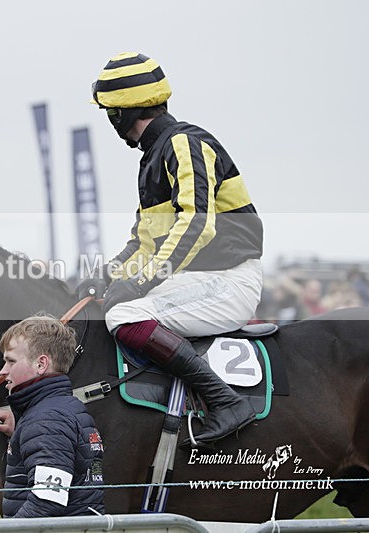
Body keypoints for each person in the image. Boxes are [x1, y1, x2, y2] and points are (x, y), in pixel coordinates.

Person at [81, 52, 264, 446]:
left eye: (110, 114)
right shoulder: (155, 156)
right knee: (111, 301)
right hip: (199, 279)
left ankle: (225, 402)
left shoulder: (183, 143)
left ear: (121, 114)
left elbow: (196, 224)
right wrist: (109, 274)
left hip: (228, 279)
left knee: (124, 314)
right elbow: (143, 242)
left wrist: (142, 282)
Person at [0, 316, 105, 518]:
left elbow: (47, 503)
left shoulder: (47, 420)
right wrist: (21, 433)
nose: (3, 371)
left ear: (41, 364)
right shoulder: (58, 410)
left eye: (11, 361)